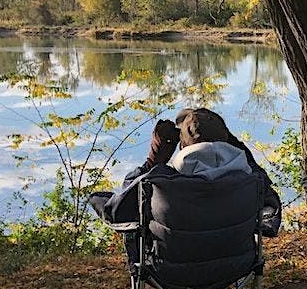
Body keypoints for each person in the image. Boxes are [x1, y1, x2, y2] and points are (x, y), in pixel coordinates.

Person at [99, 108, 282, 270]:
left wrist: (153, 161)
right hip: (234, 267)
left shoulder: (159, 182)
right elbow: (271, 213)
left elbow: (117, 211)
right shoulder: (250, 180)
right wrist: (233, 143)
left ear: (183, 145)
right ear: (226, 140)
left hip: (170, 271)